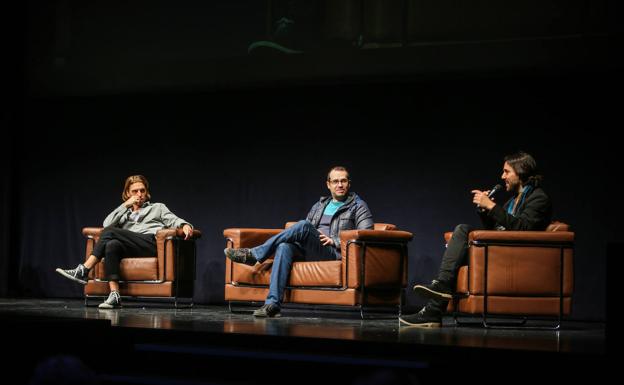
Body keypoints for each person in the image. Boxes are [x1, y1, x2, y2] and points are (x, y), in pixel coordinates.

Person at [400, 151, 552, 327]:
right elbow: (496, 230)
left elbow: (523, 229)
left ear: (521, 171)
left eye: (506, 171)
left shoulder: (539, 198)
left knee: (463, 231)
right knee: (458, 246)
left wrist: (492, 206)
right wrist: (486, 210)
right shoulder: (512, 201)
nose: (502, 176)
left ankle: (435, 302)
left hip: (517, 258)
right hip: (502, 251)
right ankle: (434, 309)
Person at [225, 166, 373, 317]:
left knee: (303, 225)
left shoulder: (358, 206)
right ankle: (272, 305)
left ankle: (255, 255)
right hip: (312, 250)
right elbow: (307, 233)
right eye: (335, 181)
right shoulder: (319, 205)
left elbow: (365, 235)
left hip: (334, 252)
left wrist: (334, 240)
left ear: (349, 183)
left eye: (343, 181)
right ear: (328, 184)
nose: (339, 185)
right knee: (284, 247)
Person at [55, 175, 193, 309]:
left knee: (109, 232)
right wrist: (125, 205)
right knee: (111, 245)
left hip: (150, 244)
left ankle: (84, 270)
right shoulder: (124, 213)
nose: (139, 194)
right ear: (127, 193)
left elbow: (173, 220)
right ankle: (115, 295)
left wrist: (185, 225)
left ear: (147, 192)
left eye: (142, 190)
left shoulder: (157, 208)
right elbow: (106, 224)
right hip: (132, 247)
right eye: (135, 191)